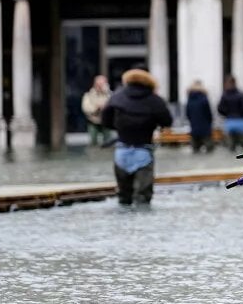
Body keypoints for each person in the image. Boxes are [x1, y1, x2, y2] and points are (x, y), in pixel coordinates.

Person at [101, 69, 173, 205]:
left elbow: (105, 119)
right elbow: (167, 121)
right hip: (144, 150)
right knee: (143, 197)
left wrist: (117, 127)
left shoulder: (117, 97)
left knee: (123, 196)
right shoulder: (155, 100)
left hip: (122, 150)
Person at [217, 75, 243, 153]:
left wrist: (227, 114)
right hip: (240, 122)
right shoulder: (241, 94)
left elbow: (220, 109)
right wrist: (242, 114)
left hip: (229, 122)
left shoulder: (225, 95)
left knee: (231, 146)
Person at [81, 75, 112, 146]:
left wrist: (107, 93)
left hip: (106, 121)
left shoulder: (110, 94)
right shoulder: (89, 95)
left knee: (108, 143)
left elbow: (113, 106)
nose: (100, 86)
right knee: (93, 142)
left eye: (102, 84)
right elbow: (86, 108)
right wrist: (97, 108)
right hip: (93, 121)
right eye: (99, 84)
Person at [185, 80, 214, 153]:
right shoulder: (204, 99)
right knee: (209, 150)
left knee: (195, 150)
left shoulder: (190, 99)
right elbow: (209, 114)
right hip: (205, 128)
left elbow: (188, 114)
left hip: (194, 128)